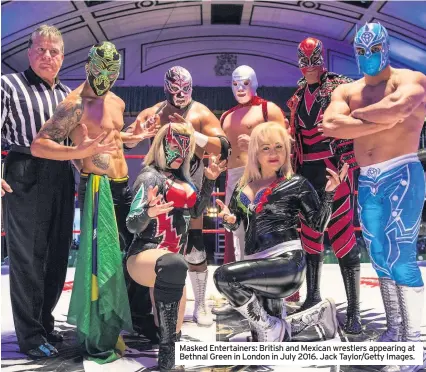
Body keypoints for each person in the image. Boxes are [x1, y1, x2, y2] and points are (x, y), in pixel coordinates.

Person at [30, 41, 158, 357]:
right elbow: (39, 144)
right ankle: (100, 334)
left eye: (112, 71)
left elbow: (112, 139)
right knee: (101, 263)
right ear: (89, 66)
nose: (107, 76)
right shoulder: (74, 103)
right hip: (96, 187)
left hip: (123, 187)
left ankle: (140, 322)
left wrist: (135, 136)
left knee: (136, 252)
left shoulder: (115, 100)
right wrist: (79, 152)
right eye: (101, 69)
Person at [323, 22, 426, 371]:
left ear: (385, 47)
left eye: (373, 50)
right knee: (380, 257)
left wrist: (358, 118)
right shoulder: (348, 90)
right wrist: (382, 121)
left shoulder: (410, 79)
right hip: (368, 180)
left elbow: (399, 107)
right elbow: (329, 125)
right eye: (362, 51)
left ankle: (417, 342)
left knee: (402, 255)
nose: (368, 57)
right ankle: (395, 332)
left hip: (403, 173)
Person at [214, 122, 347, 342]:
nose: (274, 153)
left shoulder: (296, 183)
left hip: (286, 263)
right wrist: (229, 221)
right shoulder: (241, 185)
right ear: (255, 151)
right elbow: (236, 223)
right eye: (266, 148)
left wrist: (329, 194)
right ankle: (318, 314)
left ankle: (270, 326)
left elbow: (317, 225)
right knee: (270, 337)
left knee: (224, 276)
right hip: (256, 262)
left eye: (279, 147)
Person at [135, 66, 231, 327]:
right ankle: (153, 308)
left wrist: (194, 133)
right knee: (156, 243)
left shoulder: (200, 113)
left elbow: (224, 146)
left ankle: (200, 304)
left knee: (195, 244)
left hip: (192, 184)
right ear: (166, 88)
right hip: (159, 186)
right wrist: (141, 132)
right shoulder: (153, 113)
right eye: (175, 90)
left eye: (185, 89)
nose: (180, 95)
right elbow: (129, 140)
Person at [126, 122, 226, 370]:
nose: (179, 153)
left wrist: (210, 181)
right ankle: (167, 359)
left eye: (185, 148)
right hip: (145, 254)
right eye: (173, 146)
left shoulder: (185, 181)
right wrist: (148, 212)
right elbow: (132, 224)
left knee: (176, 277)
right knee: (174, 264)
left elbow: (196, 212)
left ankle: (170, 352)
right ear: (161, 145)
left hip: (172, 262)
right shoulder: (150, 177)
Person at [1, 25, 75, 359]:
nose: (47, 56)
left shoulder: (68, 95)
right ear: (29, 52)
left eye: (54, 51)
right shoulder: (8, 85)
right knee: (28, 258)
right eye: (41, 49)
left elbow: (78, 142)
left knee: (57, 255)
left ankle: (43, 322)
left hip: (61, 174)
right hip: (25, 170)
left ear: (62, 56)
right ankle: (30, 336)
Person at [286, 37, 361, 334]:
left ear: (322, 59)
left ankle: (353, 309)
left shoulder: (340, 87)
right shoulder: (297, 96)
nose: (308, 66)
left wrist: (345, 167)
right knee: (309, 236)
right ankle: (312, 296)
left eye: (312, 59)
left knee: (342, 236)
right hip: (307, 173)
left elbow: (353, 126)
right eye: (303, 60)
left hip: (335, 168)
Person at [213, 65, 288, 315]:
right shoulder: (227, 115)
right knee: (238, 234)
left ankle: (268, 293)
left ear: (254, 82)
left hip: (261, 176)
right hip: (233, 177)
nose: (239, 88)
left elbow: (286, 142)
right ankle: (244, 296)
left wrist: (258, 141)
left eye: (244, 83)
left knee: (266, 232)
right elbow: (224, 150)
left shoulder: (268, 109)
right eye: (235, 84)